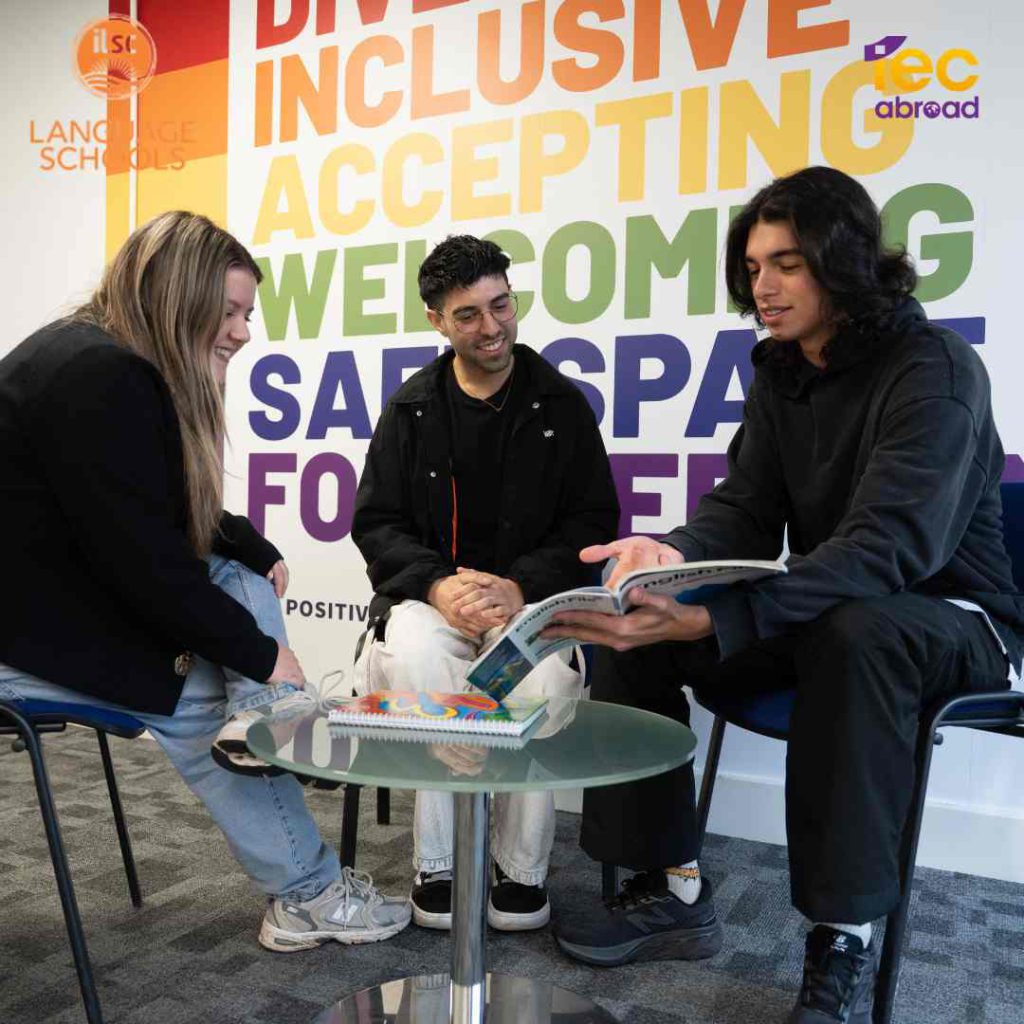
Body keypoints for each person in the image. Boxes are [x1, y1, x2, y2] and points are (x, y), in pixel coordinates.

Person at [544, 167, 1024, 1023]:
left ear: (845, 262)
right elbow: (747, 508)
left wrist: (721, 614)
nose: (762, 286)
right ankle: (669, 885)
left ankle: (843, 934)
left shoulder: (937, 368)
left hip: (958, 620)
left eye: (788, 264)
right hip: (834, 606)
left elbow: (889, 547)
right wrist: (669, 557)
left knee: (858, 633)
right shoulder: (781, 371)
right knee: (635, 619)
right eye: (754, 266)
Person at [0, 211, 410, 953]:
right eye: (229, 312)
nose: (243, 332)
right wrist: (264, 656)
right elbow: (143, 562)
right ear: (177, 296)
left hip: (45, 601)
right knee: (196, 693)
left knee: (229, 574)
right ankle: (307, 891)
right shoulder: (100, 374)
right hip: (19, 635)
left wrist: (245, 540)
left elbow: (134, 503)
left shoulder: (97, 354)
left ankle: (261, 714)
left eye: (247, 314)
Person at [351, 234, 619, 931]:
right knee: (418, 655)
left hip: (525, 606)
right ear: (437, 320)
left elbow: (593, 522)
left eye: (501, 304)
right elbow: (377, 523)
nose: (492, 326)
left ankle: (519, 869)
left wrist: (518, 587)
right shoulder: (410, 408)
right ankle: (438, 863)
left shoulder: (561, 405)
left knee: (545, 679)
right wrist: (439, 586)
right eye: (468, 314)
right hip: (430, 604)